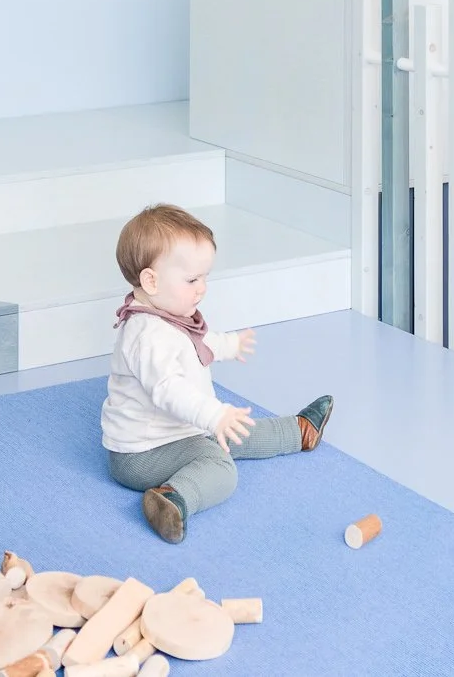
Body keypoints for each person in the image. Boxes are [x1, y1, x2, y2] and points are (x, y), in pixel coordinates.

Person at [102, 203, 331, 543]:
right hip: (141, 455)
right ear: (151, 280)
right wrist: (213, 415)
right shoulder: (148, 335)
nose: (202, 288)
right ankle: (172, 499)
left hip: (177, 432)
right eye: (192, 279)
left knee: (234, 430)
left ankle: (298, 431)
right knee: (220, 463)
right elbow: (168, 389)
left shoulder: (168, 314)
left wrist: (229, 345)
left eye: (205, 277)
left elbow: (199, 340)